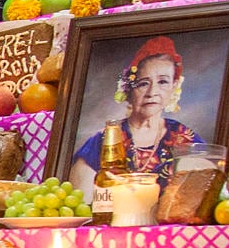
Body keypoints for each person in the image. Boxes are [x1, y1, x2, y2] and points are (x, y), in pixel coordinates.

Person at [71, 37, 208, 194]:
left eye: (162, 82)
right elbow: (82, 203)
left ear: (174, 87)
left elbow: (203, 192)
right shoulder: (104, 141)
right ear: (128, 90)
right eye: (143, 83)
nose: (152, 93)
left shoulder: (184, 138)